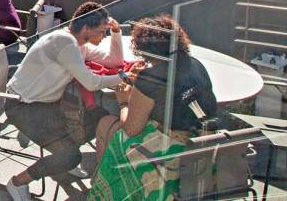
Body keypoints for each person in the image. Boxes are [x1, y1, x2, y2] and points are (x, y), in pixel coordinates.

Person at [2, 1, 124, 201]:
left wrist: (117, 32)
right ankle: (17, 182)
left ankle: (61, 159)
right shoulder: (63, 42)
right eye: (102, 32)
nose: (104, 36)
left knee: (102, 119)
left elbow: (115, 61)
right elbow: (91, 82)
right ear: (86, 28)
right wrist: (125, 78)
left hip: (48, 105)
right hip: (23, 107)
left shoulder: (79, 44)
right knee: (70, 156)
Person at [89, 15, 216, 201]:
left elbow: (131, 128)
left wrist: (124, 100)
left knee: (106, 125)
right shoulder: (197, 65)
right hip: (200, 146)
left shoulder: (151, 78)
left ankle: (110, 189)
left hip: (168, 151)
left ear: (143, 49)